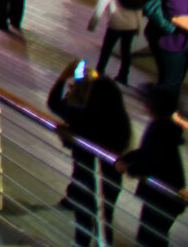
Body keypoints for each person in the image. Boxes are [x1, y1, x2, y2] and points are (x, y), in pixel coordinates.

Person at [47, 63, 131, 247]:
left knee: (83, 220)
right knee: (105, 219)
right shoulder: (121, 122)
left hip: (85, 175)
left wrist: (64, 76)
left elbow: (54, 104)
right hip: (110, 179)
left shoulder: (82, 115)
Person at [121, 88, 188, 247]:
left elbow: (152, 161)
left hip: (162, 195)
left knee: (151, 236)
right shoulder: (164, 126)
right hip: (165, 195)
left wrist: (130, 168)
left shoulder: (160, 129)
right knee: (153, 233)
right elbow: (147, 152)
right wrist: (125, 159)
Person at [92, 0, 146, 83]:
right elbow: (139, 11)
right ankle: (123, 75)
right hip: (131, 26)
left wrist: (93, 23)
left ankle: (99, 71)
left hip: (115, 24)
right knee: (126, 51)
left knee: (106, 49)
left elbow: (101, 5)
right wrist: (139, 28)